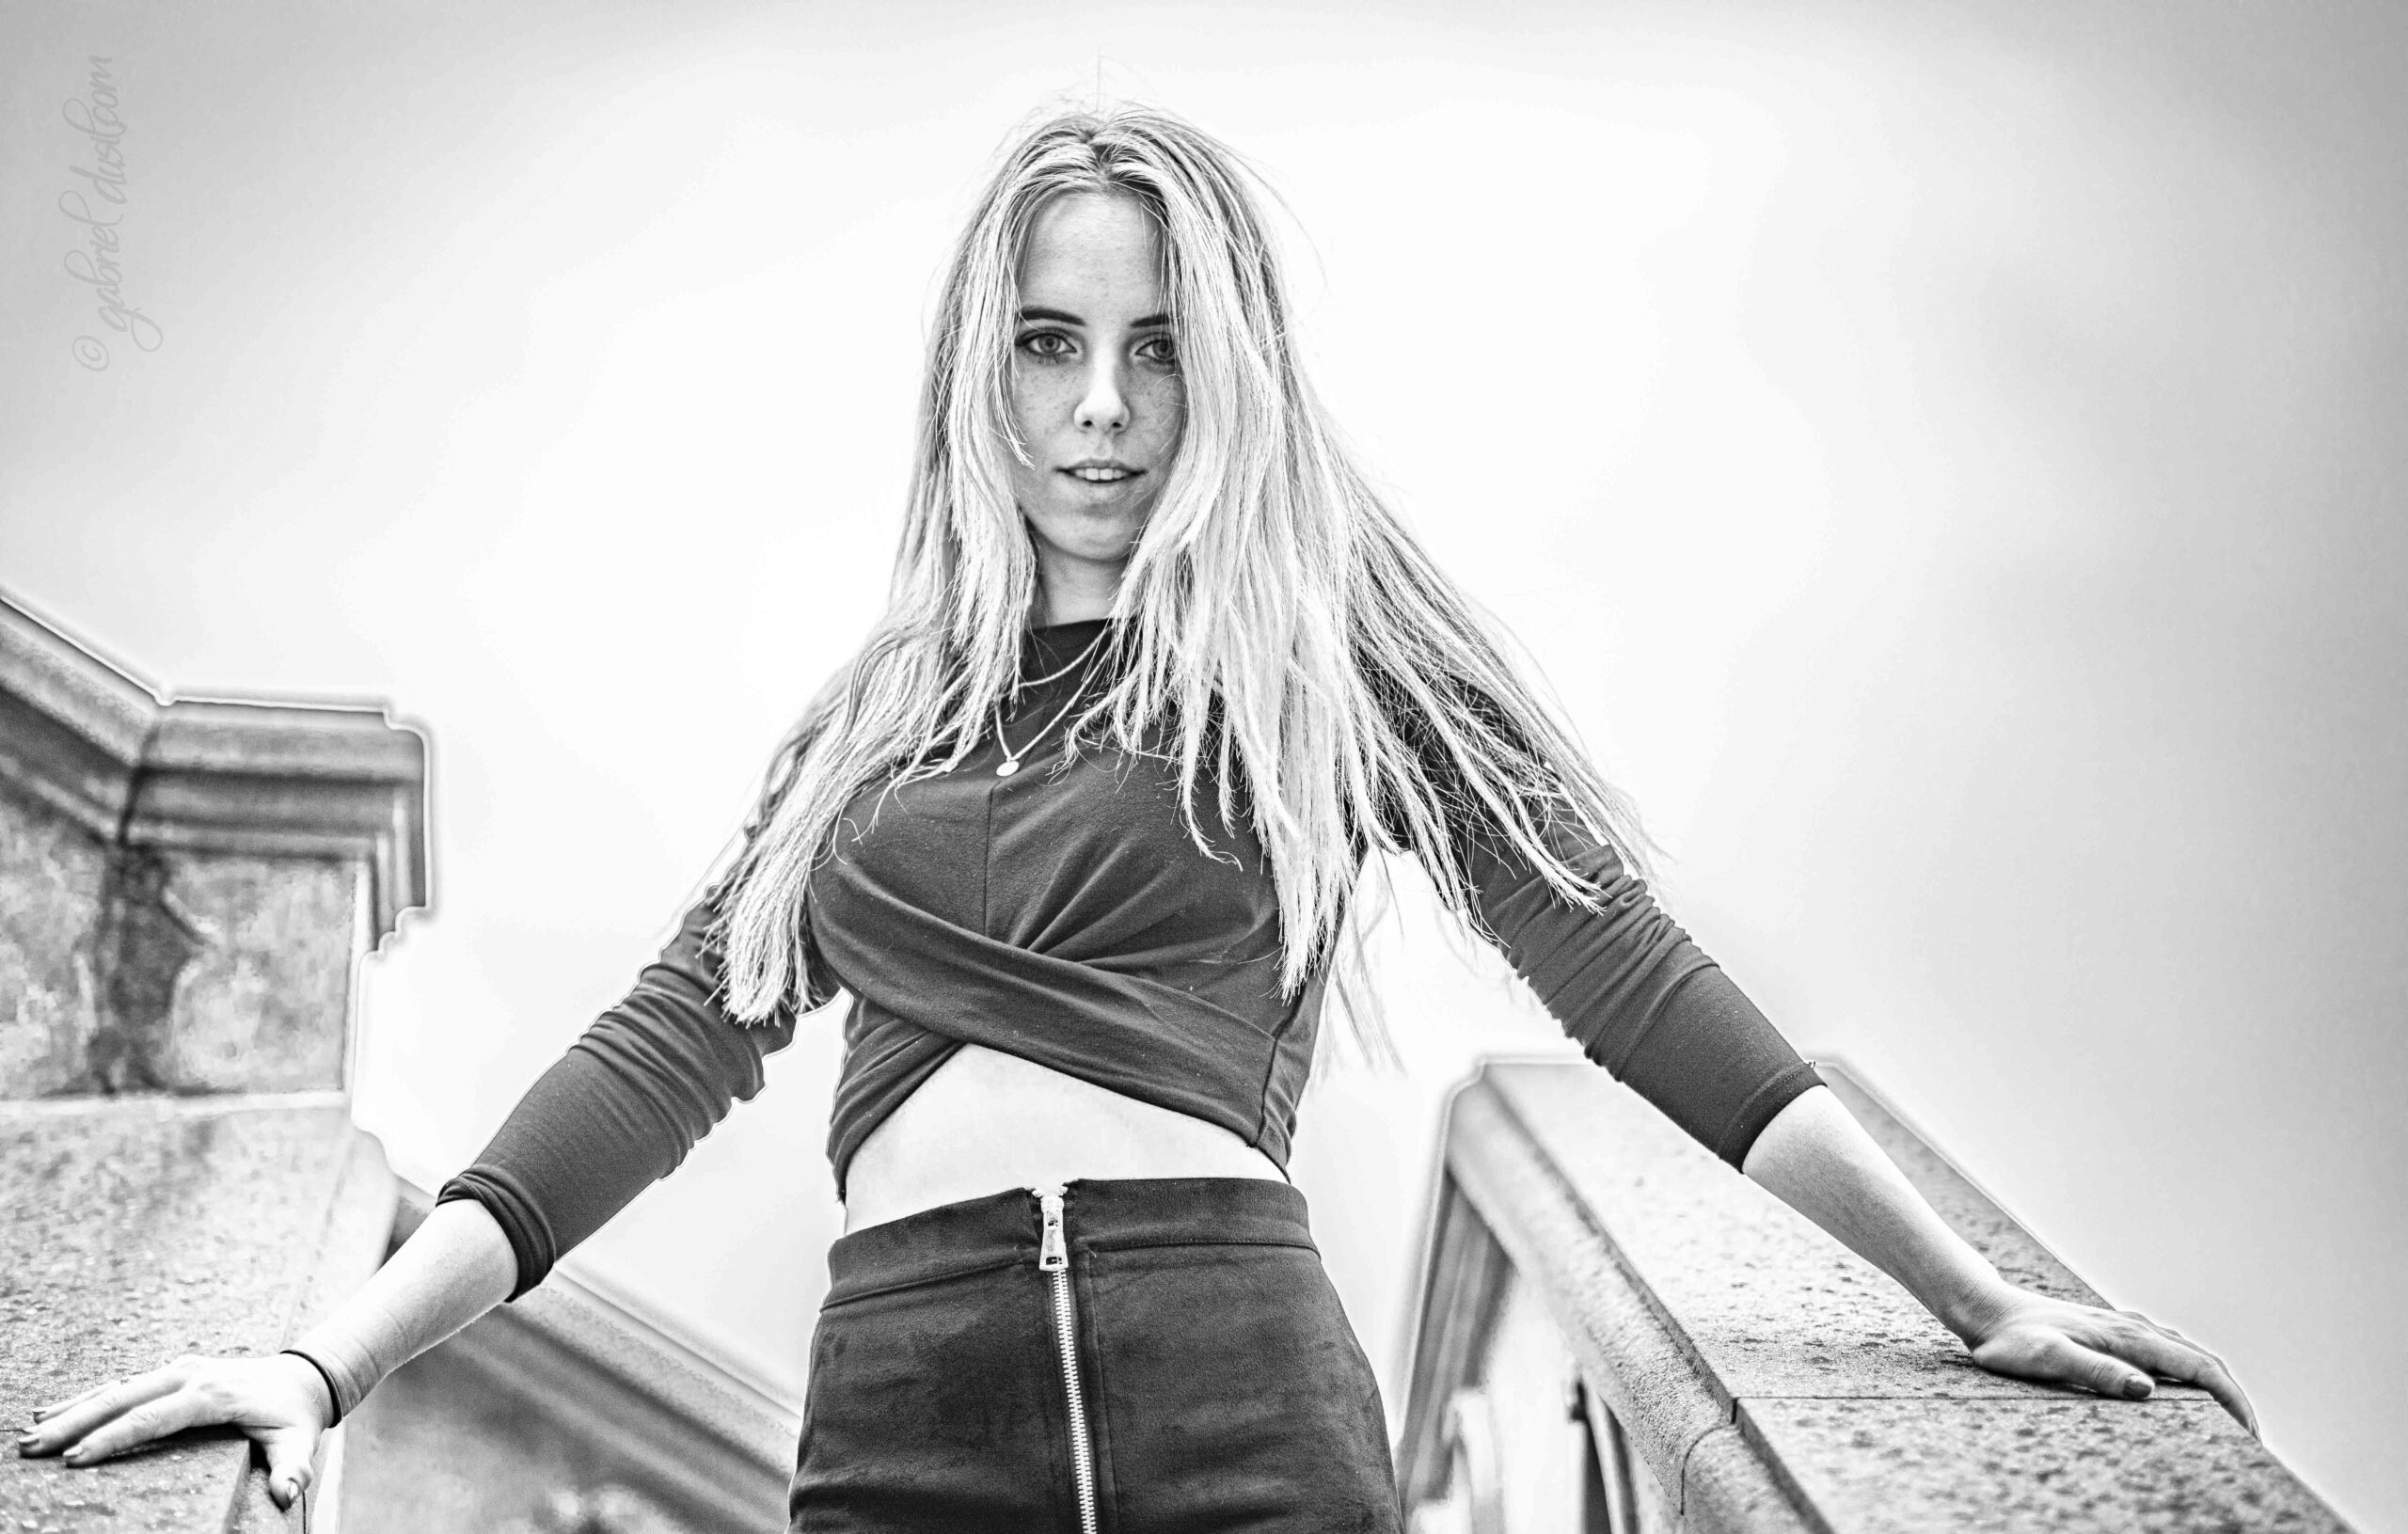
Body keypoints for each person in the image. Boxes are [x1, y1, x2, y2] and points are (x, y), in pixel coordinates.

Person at [20, 102, 2256, 1531]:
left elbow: (1632, 979)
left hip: (1236, 1385)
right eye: (1047, 342)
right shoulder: (861, 725)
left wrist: (1966, 1297)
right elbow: (651, 1060)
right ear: (973, 370)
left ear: (1228, 366)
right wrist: (320, 1357)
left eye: (1158, 344)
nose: (1101, 407)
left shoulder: (1326, 661)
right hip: (902, 1406)